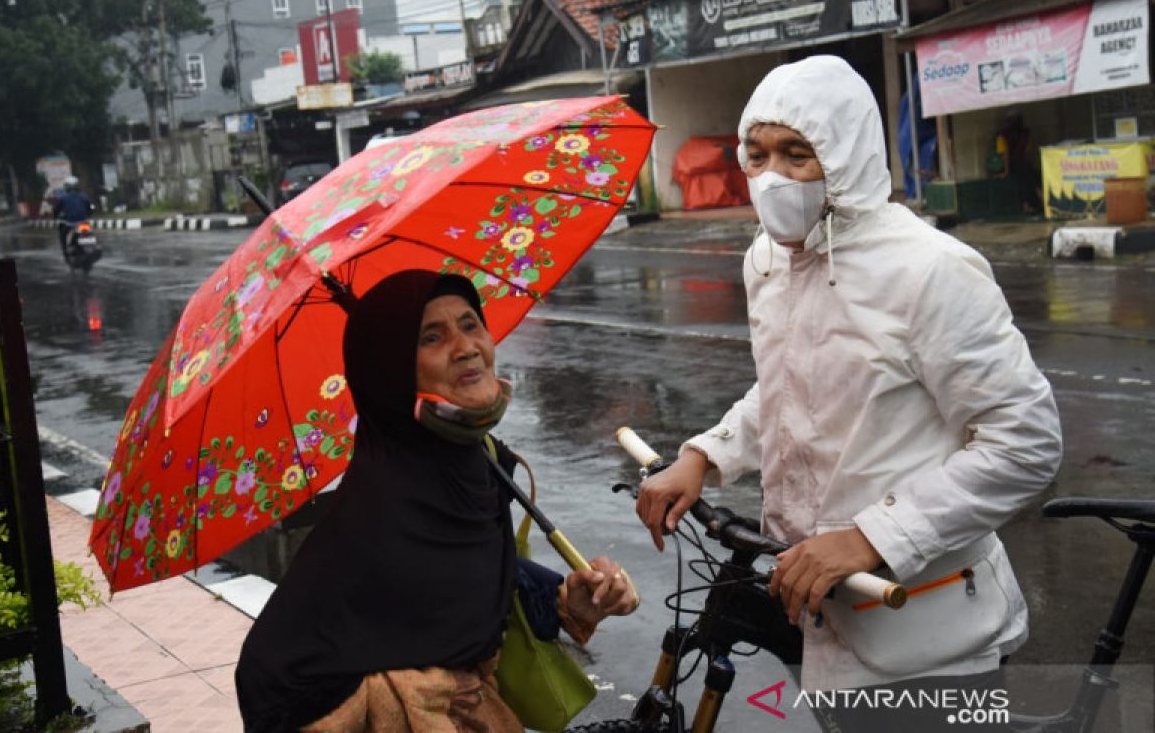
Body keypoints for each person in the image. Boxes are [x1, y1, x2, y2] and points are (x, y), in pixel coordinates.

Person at [636, 56, 1061, 710]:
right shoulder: (769, 260)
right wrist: (704, 456)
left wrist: (871, 539)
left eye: (797, 154)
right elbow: (791, 390)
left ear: (847, 155)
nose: (773, 177)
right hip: (813, 606)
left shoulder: (930, 270)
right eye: (757, 155)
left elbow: (1025, 442)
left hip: (929, 632)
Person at [236, 270, 638, 732]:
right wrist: (396, 696)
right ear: (389, 372)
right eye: (431, 337)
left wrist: (573, 603)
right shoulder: (379, 515)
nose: (466, 347)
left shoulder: (481, 462)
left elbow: (490, 593)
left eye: (470, 324)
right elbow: (271, 675)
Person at [53, 176, 93, 255]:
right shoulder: (83, 196)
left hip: (69, 223)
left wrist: (55, 216)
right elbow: (89, 208)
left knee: (62, 233)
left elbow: (56, 210)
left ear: (66, 187)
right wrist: (88, 215)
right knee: (88, 230)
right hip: (83, 222)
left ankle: (65, 249)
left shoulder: (63, 198)